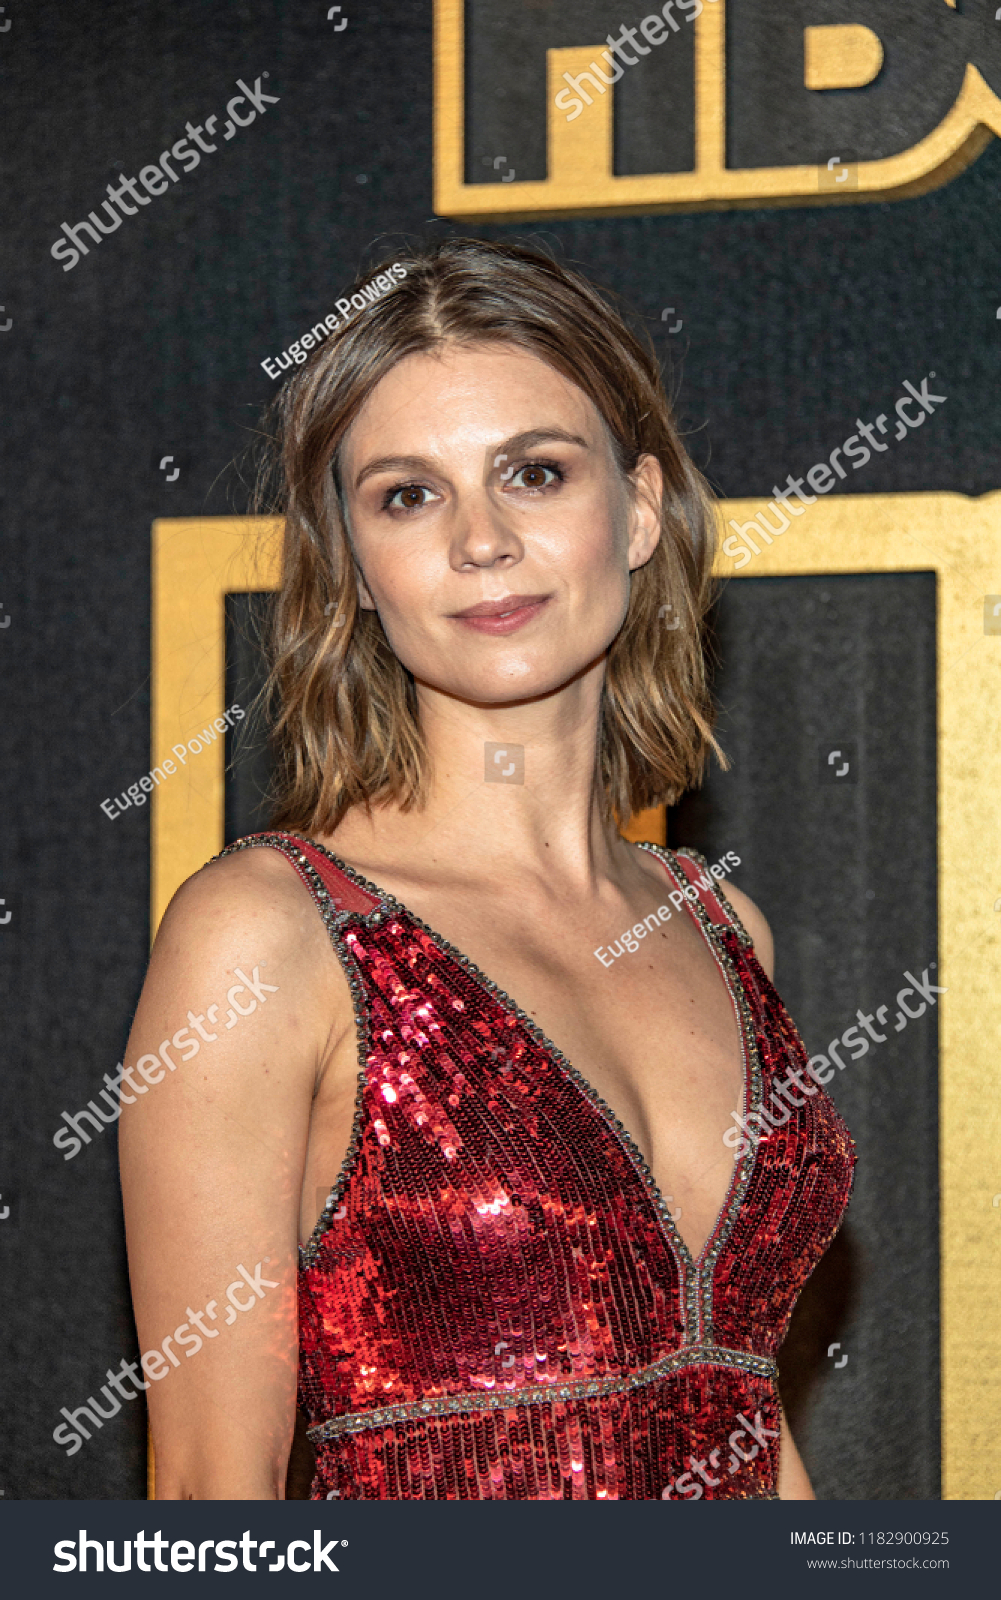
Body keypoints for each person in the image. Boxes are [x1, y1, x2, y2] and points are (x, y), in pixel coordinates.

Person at [120, 238, 855, 1501]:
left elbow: (743, 1419)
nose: (480, 541)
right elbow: (204, 1497)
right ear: (352, 567)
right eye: (407, 495)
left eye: (534, 472)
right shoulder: (267, 936)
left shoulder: (719, 927)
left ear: (636, 510)